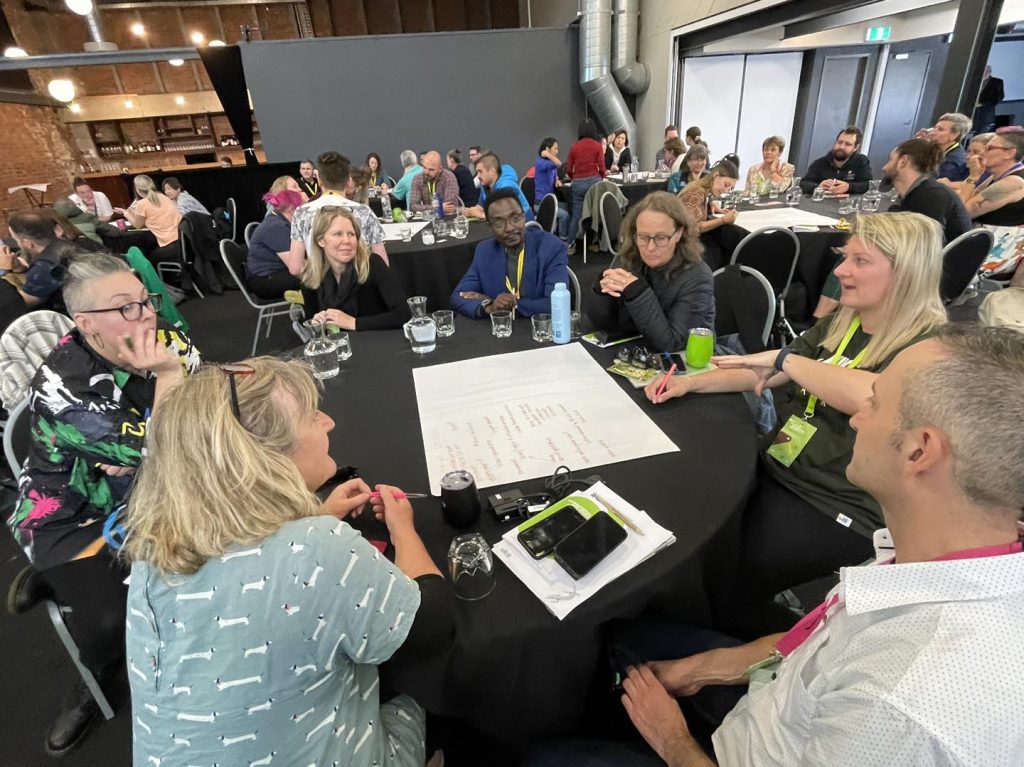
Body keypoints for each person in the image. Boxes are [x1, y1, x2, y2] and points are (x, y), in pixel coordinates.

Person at [529, 323, 1024, 767]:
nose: (854, 418)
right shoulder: (933, 553)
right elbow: (814, 647)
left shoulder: (901, 704)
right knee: (617, 637)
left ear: (920, 450)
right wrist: (699, 670)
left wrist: (672, 740)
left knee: (541, 754)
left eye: (874, 402)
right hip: (769, 711)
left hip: (730, 750)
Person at [122, 356, 454, 767]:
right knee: (443, 694)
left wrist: (313, 517)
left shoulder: (153, 552)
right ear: (266, 455)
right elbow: (433, 628)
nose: (329, 422)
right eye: (312, 417)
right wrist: (405, 530)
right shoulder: (315, 548)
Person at [646, 212, 947, 625]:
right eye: (845, 258)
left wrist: (787, 359)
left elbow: (872, 395)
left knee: (725, 568)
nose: (839, 270)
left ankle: (761, 636)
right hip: (785, 467)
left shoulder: (927, 347)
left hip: (838, 503)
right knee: (695, 514)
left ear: (906, 273)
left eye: (860, 261)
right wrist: (690, 384)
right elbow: (767, 370)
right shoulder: (845, 321)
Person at [5, 253, 200, 756]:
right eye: (126, 309)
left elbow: (208, 409)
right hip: (72, 515)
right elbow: (167, 444)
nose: (147, 316)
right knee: (112, 621)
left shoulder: (167, 339)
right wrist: (167, 379)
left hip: (158, 492)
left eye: (145, 302)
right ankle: (93, 677)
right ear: (85, 324)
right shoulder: (63, 382)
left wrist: (148, 444)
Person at [588, 192, 714, 352]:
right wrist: (602, 292)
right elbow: (603, 324)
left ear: (679, 234)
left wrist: (638, 293)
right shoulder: (629, 257)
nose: (650, 248)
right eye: (643, 237)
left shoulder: (698, 276)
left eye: (661, 238)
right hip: (638, 349)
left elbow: (672, 344)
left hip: (686, 363)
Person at [451, 187, 568, 319]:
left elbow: (556, 303)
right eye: (499, 223)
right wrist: (489, 306)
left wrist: (510, 304)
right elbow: (459, 296)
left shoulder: (550, 247)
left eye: (515, 218)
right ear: (490, 227)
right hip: (499, 332)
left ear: (524, 217)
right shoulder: (485, 250)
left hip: (539, 331)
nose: (510, 228)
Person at [300, 207, 408, 330]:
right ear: (320, 241)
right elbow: (310, 320)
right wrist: (317, 324)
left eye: (351, 234)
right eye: (337, 234)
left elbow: (403, 314)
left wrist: (354, 323)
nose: (346, 240)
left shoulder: (372, 264)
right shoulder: (311, 277)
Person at [285, 151, 389, 275]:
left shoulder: (301, 213)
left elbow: (295, 267)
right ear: (348, 180)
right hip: (360, 285)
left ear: (319, 179)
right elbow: (383, 264)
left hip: (320, 287)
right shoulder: (363, 212)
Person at [884, 139, 971, 242]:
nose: (884, 167)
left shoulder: (932, 196)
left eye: (891, 160)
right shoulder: (922, 191)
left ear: (903, 161)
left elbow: (921, 246)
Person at [4, 210, 78, 310]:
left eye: (16, 240)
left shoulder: (45, 267)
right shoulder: (72, 244)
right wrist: (18, 267)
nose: (17, 244)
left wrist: (2, 267)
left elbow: (18, 303)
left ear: (27, 243)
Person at [678, 160, 744, 269]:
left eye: (730, 188)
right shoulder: (696, 192)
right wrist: (723, 220)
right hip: (684, 245)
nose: (727, 190)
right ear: (716, 176)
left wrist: (708, 206)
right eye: (726, 185)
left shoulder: (698, 188)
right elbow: (694, 227)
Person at [246, 187, 303, 299]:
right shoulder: (277, 227)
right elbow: (296, 267)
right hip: (265, 280)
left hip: (270, 274)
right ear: (292, 209)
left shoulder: (276, 220)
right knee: (317, 280)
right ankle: (305, 307)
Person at [114, 174, 182, 266]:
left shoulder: (142, 204)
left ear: (137, 190)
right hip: (183, 241)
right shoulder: (163, 197)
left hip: (170, 244)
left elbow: (137, 225)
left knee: (147, 256)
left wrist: (125, 213)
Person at [962, 132, 1024, 226]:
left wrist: (973, 177)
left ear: (1009, 153)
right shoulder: (996, 177)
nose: (982, 153)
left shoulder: (1013, 182)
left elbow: (962, 213)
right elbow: (961, 202)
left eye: (989, 148)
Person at [565, 118, 607, 253]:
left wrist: (575, 178)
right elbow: (602, 168)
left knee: (576, 214)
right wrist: (600, 177)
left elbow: (568, 169)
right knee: (596, 213)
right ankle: (596, 243)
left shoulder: (574, 147)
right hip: (594, 183)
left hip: (578, 183)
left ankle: (570, 244)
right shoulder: (597, 146)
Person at [799, 127, 873, 195]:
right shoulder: (819, 163)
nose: (841, 147)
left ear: (855, 147)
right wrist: (818, 187)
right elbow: (804, 184)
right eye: (840, 142)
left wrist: (849, 187)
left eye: (848, 144)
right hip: (823, 204)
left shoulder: (861, 162)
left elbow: (869, 185)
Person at [464, 152, 533, 221]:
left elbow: (504, 215)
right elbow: (481, 205)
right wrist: (472, 211)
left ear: (492, 171)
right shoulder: (485, 185)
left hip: (523, 224)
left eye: (480, 172)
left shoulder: (507, 187)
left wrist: (481, 215)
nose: (478, 176)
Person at [534, 137, 570, 239]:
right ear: (547, 149)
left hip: (551, 201)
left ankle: (559, 236)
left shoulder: (549, 164)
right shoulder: (540, 162)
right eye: (555, 148)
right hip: (541, 203)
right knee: (564, 215)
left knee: (569, 207)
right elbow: (558, 163)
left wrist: (557, 179)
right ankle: (564, 240)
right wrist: (546, 154)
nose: (557, 151)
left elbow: (554, 174)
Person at [930, 112, 971, 182]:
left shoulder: (954, 162)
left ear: (955, 135)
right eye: (935, 128)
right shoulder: (934, 148)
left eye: (940, 129)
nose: (933, 132)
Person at [973, 64, 1004, 133]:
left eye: (986, 72)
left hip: (986, 112)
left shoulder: (997, 82)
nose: (983, 73)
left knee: (983, 132)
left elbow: (999, 98)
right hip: (973, 111)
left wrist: (982, 103)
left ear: (989, 72)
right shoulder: (974, 80)